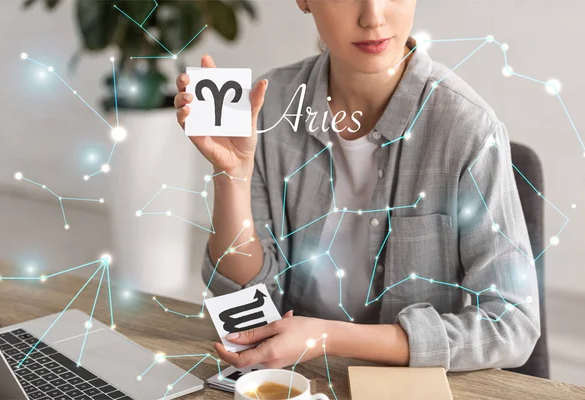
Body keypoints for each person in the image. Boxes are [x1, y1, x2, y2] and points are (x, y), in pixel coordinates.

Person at [174, 0, 540, 372]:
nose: (373, 17)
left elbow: (512, 323)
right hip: (295, 378)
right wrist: (232, 177)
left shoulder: (467, 128)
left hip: (405, 385)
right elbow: (241, 303)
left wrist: (327, 338)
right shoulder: (267, 108)